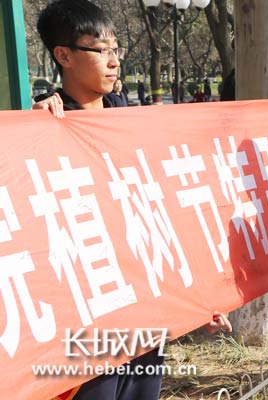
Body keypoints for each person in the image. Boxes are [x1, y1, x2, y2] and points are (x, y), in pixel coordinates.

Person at [32, 1, 233, 399]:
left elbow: (165, 214)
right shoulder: (43, 126)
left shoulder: (132, 123)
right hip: (89, 316)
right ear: (63, 55)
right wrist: (34, 127)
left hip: (145, 309)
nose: (113, 61)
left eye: (115, 50)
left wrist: (199, 299)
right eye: (101, 50)